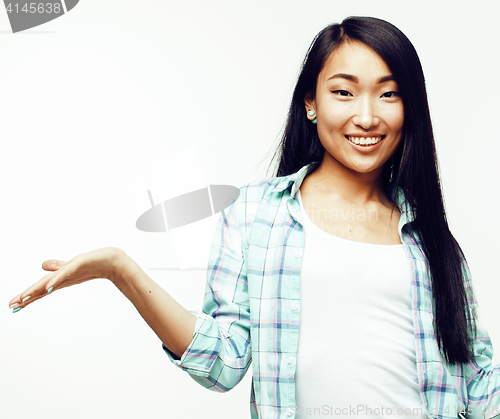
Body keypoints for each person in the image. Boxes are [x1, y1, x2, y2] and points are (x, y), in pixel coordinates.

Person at [8, 16, 500, 419]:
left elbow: (478, 380)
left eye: (389, 94)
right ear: (310, 103)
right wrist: (121, 270)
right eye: (343, 92)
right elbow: (221, 364)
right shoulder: (256, 214)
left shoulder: (428, 236)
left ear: (409, 108)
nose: (367, 116)